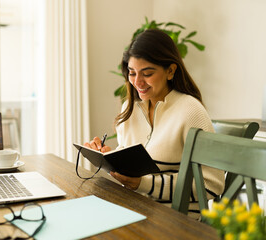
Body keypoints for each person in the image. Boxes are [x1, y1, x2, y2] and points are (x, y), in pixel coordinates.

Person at [85, 29, 224, 216]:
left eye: (147, 73)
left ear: (170, 71)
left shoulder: (190, 111)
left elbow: (212, 184)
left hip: (174, 223)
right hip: (135, 212)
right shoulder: (130, 108)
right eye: (132, 73)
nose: (138, 82)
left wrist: (144, 184)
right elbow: (133, 163)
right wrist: (109, 158)